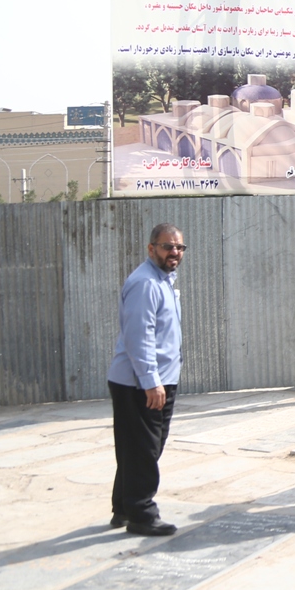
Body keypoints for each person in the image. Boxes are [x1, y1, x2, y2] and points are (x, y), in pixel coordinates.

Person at [108, 223, 187, 535]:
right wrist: (151, 381)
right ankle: (142, 514)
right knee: (145, 450)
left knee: (134, 448)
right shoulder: (146, 283)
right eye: (168, 246)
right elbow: (139, 337)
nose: (174, 252)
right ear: (151, 248)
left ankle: (123, 508)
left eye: (179, 247)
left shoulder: (163, 280)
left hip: (149, 379)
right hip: (141, 383)